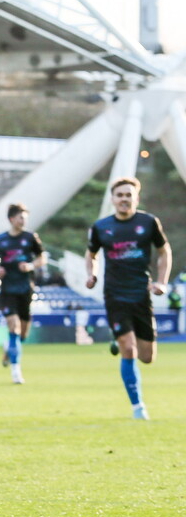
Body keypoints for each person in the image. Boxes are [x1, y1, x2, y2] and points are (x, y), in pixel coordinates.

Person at [85, 177, 171, 420]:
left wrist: (162, 282)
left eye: (128, 195)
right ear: (112, 199)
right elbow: (90, 254)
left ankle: (121, 338)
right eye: (120, 195)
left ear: (136, 198)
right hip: (115, 294)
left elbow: (165, 251)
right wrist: (90, 274)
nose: (124, 199)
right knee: (129, 349)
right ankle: (138, 407)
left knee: (147, 357)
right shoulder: (101, 227)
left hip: (141, 295)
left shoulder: (148, 222)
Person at [0, 203, 46, 384]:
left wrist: (31, 266)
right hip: (7, 289)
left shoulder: (30, 238)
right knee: (13, 327)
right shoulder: (0, 240)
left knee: (22, 334)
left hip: (25, 289)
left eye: (25, 217)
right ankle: (16, 371)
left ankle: (9, 347)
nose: (23, 220)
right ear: (12, 219)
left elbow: (42, 257)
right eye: (20, 217)